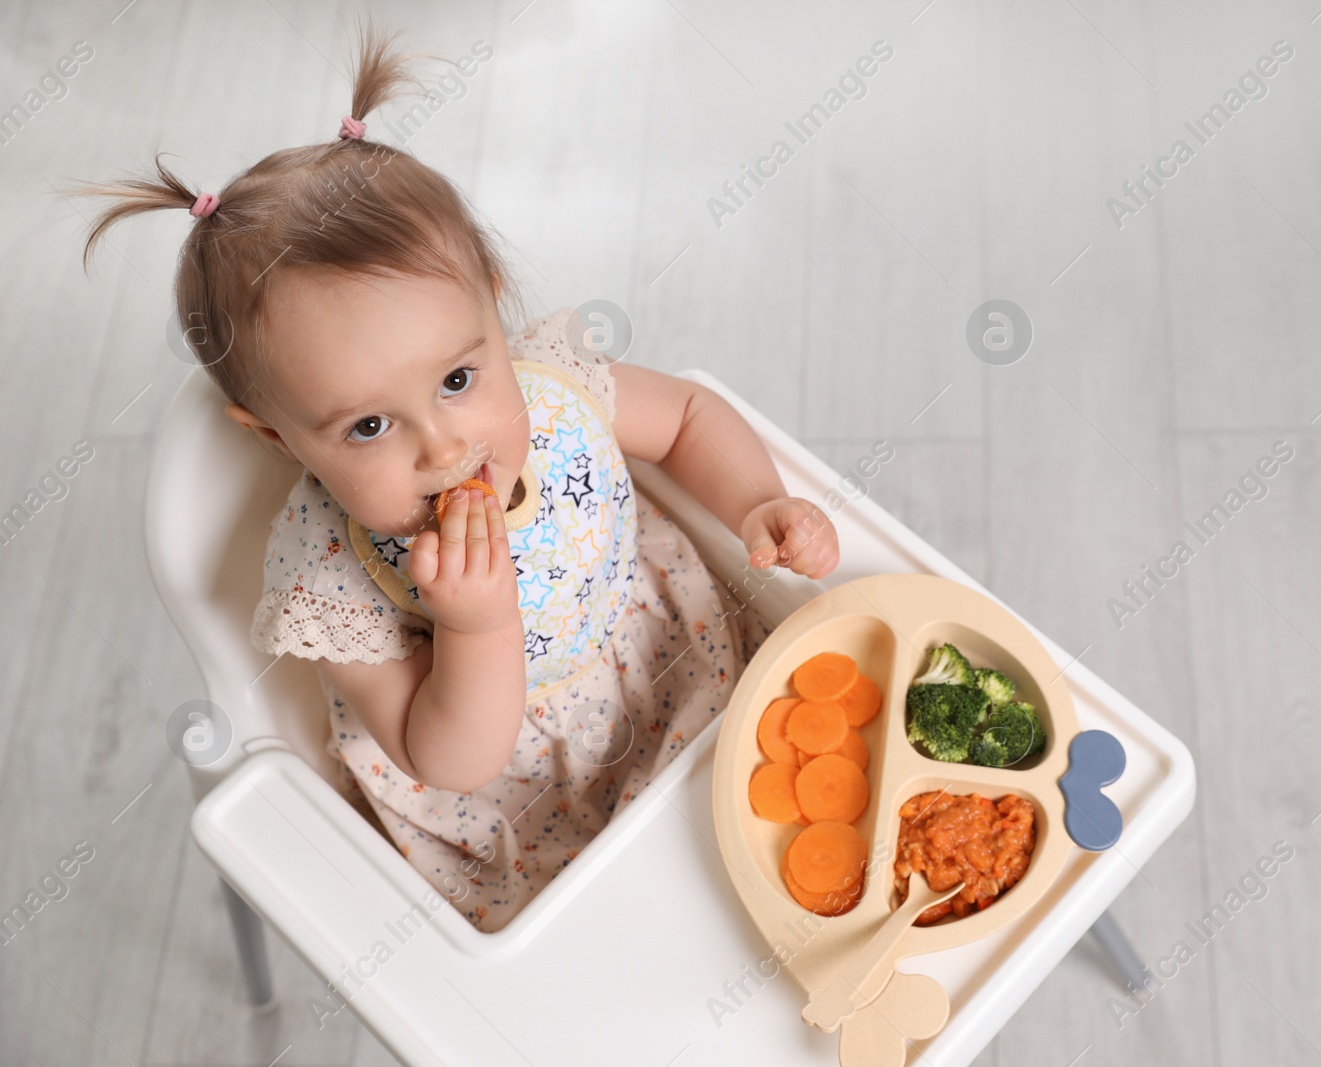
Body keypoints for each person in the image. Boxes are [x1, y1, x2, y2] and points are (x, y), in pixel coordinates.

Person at [69, 15, 839, 933]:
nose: (443, 448)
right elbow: (449, 756)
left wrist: (760, 502)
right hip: (525, 797)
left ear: (493, 306)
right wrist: (476, 622)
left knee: (795, 826)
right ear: (276, 440)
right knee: (642, 936)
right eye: (367, 425)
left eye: (459, 379)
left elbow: (685, 419)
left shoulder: (553, 393)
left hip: (677, 655)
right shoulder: (333, 576)